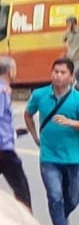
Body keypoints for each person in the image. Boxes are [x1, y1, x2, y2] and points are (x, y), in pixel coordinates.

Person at [23, 58, 79, 225]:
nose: (58, 76)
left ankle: (61, 218)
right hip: (49, 157)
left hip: (72, 157)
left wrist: (70, 122)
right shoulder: (40, 95)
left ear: (71, 77)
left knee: (72, 199)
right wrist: (35, 136)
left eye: (63, 73)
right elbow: (28, 114)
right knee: (55, 196)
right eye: (55, 71)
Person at [0, 57, 31, 209]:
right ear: (10, 71)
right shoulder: (2, 91)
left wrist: (14, 132)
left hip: (5, 145)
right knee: (21, 189)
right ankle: (26, 219)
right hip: (3, 149)